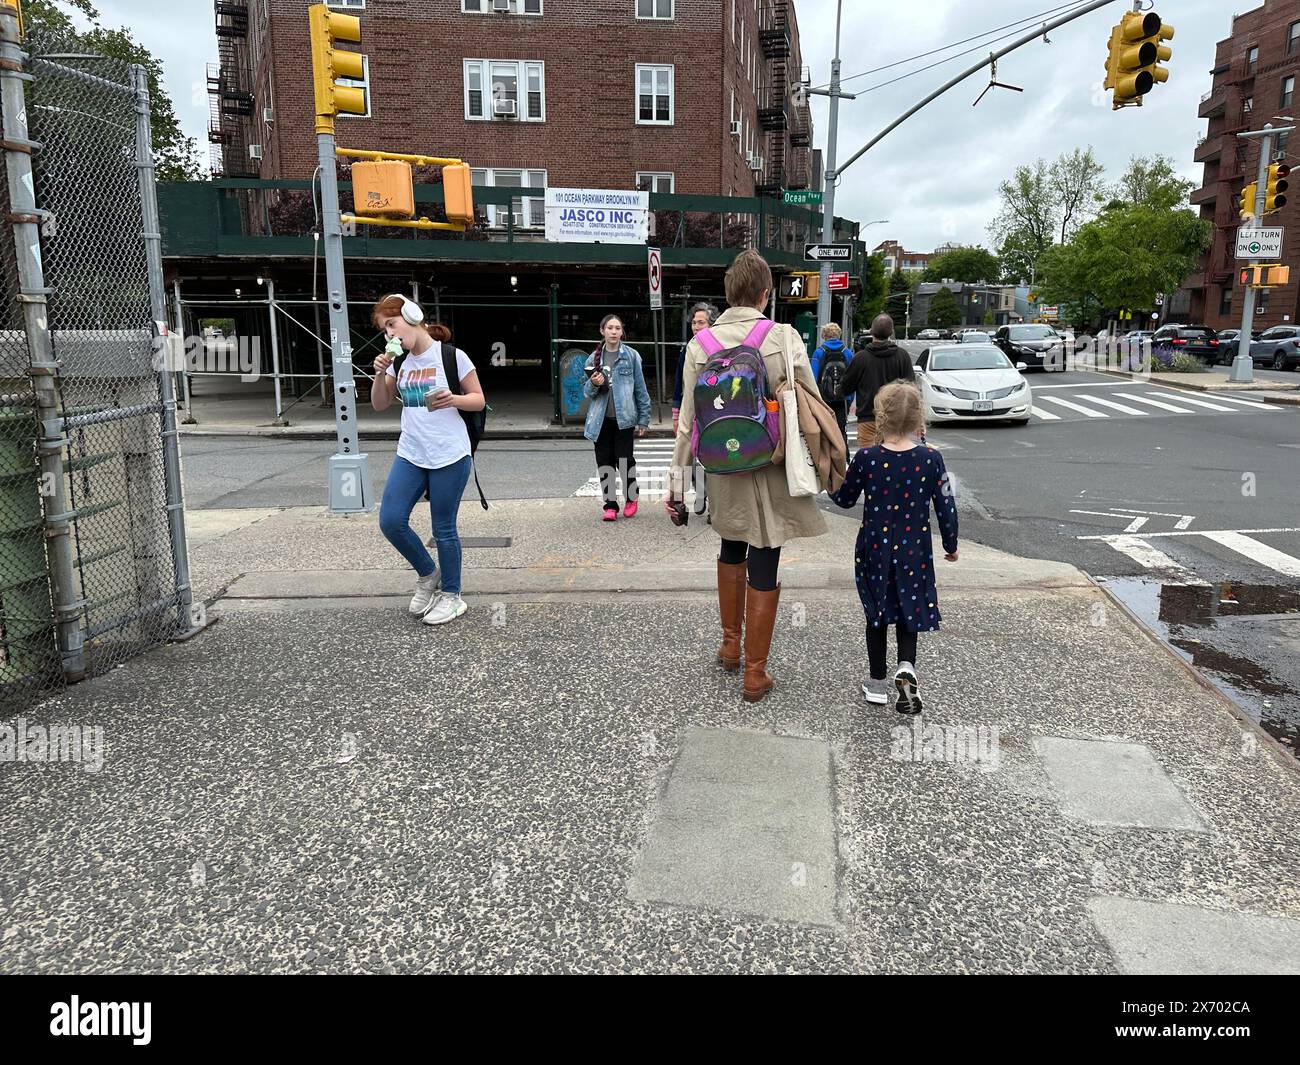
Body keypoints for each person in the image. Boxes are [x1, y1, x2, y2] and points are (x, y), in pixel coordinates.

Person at [667, 249, 827, 703]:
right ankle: (755, 675)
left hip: (723, 469)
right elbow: (810, 403)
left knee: (730, 542)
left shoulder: (700, 346)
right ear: (764, 294)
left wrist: (677, 487)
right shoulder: (783, 336)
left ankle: (730, 645)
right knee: (766, 553)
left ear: (727, 293)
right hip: (771, 464)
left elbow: (687, 424)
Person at [829, 381, 958, 714]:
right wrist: (951, 544)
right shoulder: (932, 459)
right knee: (908, 610)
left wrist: (829, 479)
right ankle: (906, 666)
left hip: (875, 548)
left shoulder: (868, 458)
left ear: (879, 418)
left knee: (877, 613)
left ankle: (876, 684)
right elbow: (946, 504)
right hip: (914, 548)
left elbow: (844, 499)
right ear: (919, 421)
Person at [370, 293, 486, 626]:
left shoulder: (452, 356)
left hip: (449, 452)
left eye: (392, 325)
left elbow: (478, 400)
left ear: (412, 315)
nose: (390, 335)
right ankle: (427, 572)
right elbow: (380, 404)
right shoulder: (398, 362)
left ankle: (452, 595)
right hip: (411, 452)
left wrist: (454, 399)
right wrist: (380, 373)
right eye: (384, 331)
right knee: (391, 520)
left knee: (444, 528)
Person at [584, 314, 650, 521]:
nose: (613, 332)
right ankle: (610, 505)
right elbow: (587, 393)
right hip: (600, 421)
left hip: (624, 420)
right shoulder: (592, 358)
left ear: (622, 332)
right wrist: (594, 383)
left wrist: (643, 419)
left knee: (625, 461)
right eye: (609, 328)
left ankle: (631, 499)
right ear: (602, 331)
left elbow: (640, 389)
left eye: (617, 328)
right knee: (605, 463)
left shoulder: (631, 356)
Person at [840, 313, 915, 451]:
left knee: (869, 462)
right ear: (891, 333)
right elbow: (911, 389)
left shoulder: (861, 358)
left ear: (871, 332)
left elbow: (846, 387)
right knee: (894, 460)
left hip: (868, 417)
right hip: (895, 418)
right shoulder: (902, 356)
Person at [671, 302, 719, 435]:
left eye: (701, 322)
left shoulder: (721, 348)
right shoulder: (688, 349)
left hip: (716, 409)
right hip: (692, 411)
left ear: (711, 324)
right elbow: (679, 383)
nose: (696, 327)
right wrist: (676, 415)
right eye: (694, 323)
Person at [810, 322, 850, 452]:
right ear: (838, 335)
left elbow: (813, 377)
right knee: (841, 428)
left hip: (823, 398)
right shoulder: (847, 352)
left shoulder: (819, 352)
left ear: (824, 336)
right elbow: (852, 377)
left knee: (825, 428)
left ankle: (826, 456)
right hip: (842, 398)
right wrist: (849, 399)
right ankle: (844, 457)